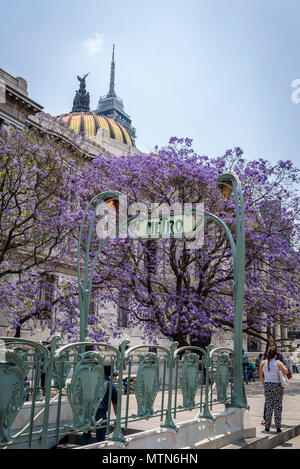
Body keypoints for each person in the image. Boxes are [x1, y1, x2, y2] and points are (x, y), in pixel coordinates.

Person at [81, 365, 118, 445]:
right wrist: (117, 417)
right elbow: (115, 402)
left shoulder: (94, 381)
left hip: (89, 411)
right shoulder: (111, 384)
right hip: (101, 413)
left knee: (86, 434)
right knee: (101, 438)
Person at [260, 340, 290, 425]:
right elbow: (261, 370)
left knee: (278, 403)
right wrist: (263, 382)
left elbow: (286, 366)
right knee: (268, 402)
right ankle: (266, 419)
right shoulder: (265, 355)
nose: (271, 347)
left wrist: (280, 367)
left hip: (278, 380)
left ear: (275, 346)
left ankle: (277, 421)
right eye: (270, 345)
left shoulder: (280, 354)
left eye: (273, 345)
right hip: (268, 381)